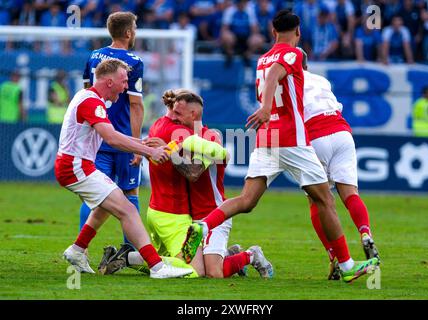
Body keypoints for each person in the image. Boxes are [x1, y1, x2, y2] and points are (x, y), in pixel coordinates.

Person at [181, 9, 379, 283]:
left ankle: (203, 226)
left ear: (273, 32)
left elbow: (269, 75)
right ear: (298, 31)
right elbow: (277, 73)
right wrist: (265, 107)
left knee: (247, 200)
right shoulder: (294, 54)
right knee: (325, 200)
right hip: (291, 138)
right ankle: (346, 265)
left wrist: (265, 110)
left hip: (267, 137)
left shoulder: (261, 59)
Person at [99, 89, 271, 279]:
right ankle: (231, 254)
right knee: (199, 268)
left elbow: (194, 173)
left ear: (194, 114)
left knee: (212, 273)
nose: (175, 119)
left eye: (179, 114)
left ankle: (251, 255)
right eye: (173, 112)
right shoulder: (186, 137)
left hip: (213, 214)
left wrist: (168, 152)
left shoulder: (209, 137)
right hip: (191, 219)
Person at [56, 58, 192, 279]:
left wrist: (142, 144)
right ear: (109, 82)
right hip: (75, 167)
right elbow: (111, 139)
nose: (126, 86)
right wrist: (149, 153)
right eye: (123, 81)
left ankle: (77, 250)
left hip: (76, 165)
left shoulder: (90, 98)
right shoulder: (91, 102)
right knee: (127, 209)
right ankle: (157, 267)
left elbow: (114, 135)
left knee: (105, 206)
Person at [300, 48, 380, 280]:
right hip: (342, 132)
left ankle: (334, 257)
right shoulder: (321, 80)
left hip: (315, 135)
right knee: (350, 193)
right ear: (307, 65)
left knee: (318, 200)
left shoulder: (289, 84)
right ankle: (365, 233)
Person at [80, 12, 145, 245]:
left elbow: (87, 96)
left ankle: (82, 251)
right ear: (128, 32)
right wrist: (138, 145)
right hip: (123, 139)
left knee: (93, 196)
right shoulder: (134, 62)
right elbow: (136, 105)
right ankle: (129, 251)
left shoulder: (93, 56)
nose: (135, 31)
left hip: (97, 137)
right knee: (130, 193)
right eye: (135, 27)